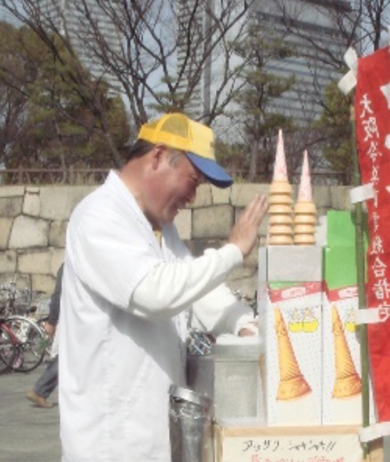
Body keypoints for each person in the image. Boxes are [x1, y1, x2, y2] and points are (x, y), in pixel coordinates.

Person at [59, 113, 268, 462]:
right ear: (158, 156)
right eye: (193, 181)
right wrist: (232, 252)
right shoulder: (99, 216)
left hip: (152, 439)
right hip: (110, 446)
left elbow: (197, 293)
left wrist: (246, 325)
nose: (193, 197)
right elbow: (153, 293)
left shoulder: (159, 229)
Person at [26, 264, 63, 408]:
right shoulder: (72, 265)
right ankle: (39, 391)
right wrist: (52, 321)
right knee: (69, 358)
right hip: (75, 321)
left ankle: (40, 391)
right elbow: (58, 295)